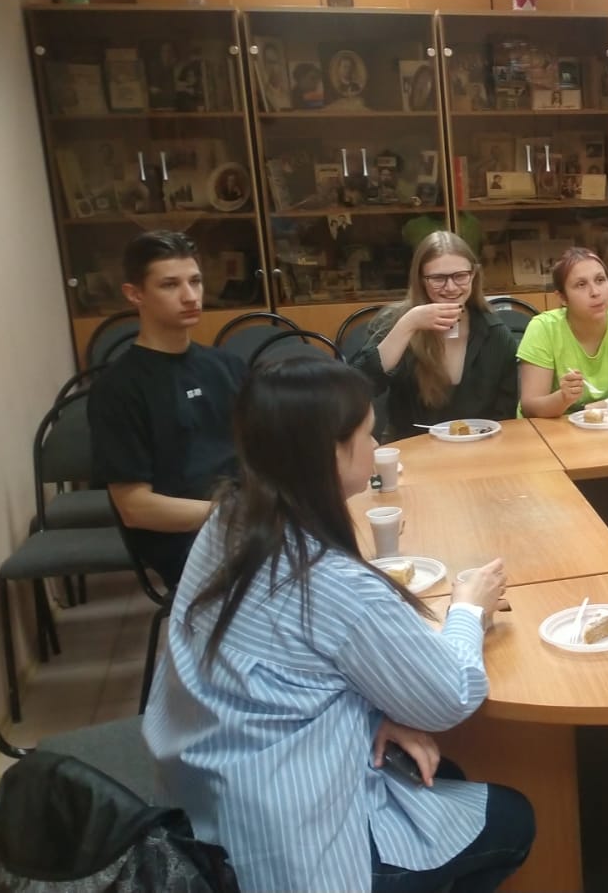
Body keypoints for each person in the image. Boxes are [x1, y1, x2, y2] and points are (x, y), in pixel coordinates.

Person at [143, 356, 535, 892]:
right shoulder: (328, 579)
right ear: (329, 451)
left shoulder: (230, 519)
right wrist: (469, 608)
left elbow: (283, 667)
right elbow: (449, 697)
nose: (376, 447)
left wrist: (373, 715)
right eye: (367, 435)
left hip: (209, 791)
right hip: (291, 845)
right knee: (513, 818)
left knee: (438, 770)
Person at [90, 231, 245, 591]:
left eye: (195, 281)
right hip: (186, 541)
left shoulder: (227, 367)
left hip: (246, 522)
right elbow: (135, 507)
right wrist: (232, 514)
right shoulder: (118, 388)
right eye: (170, 285)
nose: (190, 296)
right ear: (135, 294)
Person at [352, 231, 519, 440]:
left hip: (478, 447)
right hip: (411, 446)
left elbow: (506, 416)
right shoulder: (397, 322)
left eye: (460, 276)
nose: (451, 287)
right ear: (420, 280)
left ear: (474, 275)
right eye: (438, 278)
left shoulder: (495, 333)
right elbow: (355, 389)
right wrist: (408, 325)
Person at [517, 247, 608, 416]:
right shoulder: (543, 328)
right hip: (550, 427)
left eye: (600, 280)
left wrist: (590, 410)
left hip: (606, 424)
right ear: (563, 298)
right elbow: (530, 406)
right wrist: (562, 398)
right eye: (581, 285)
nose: (595, 292)